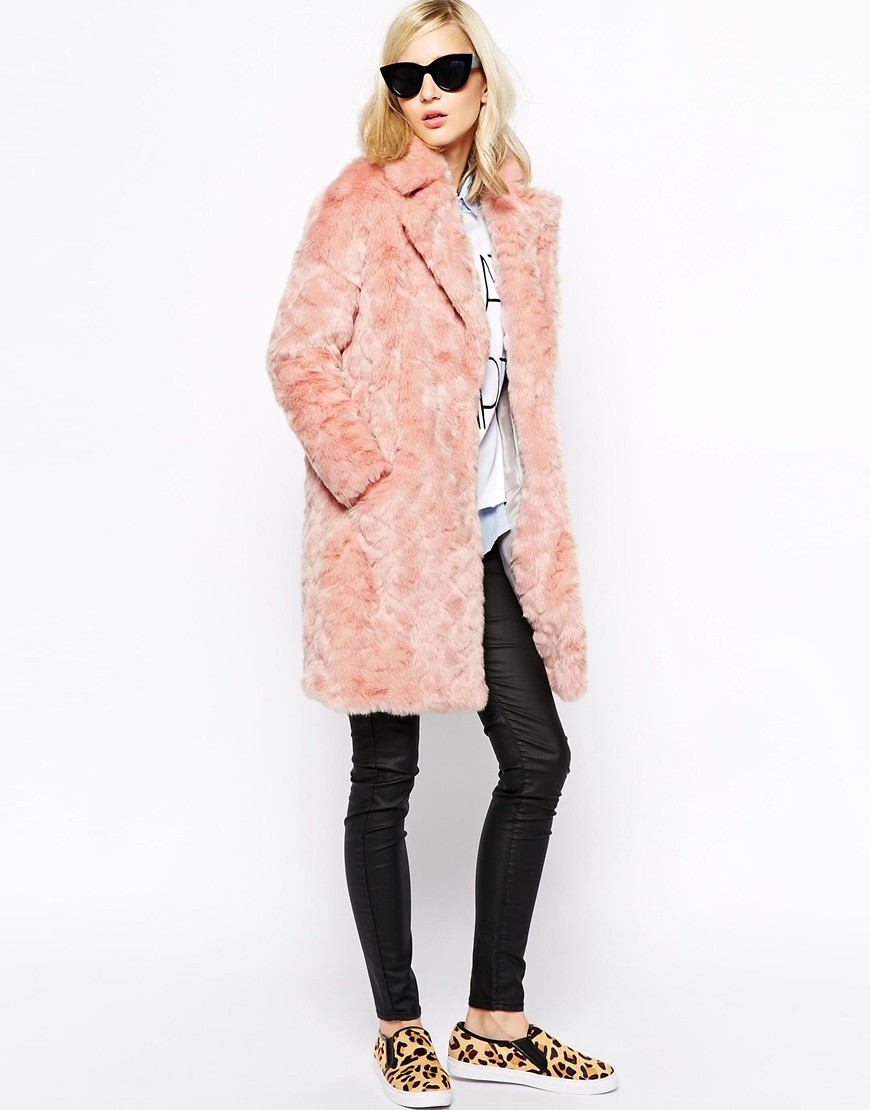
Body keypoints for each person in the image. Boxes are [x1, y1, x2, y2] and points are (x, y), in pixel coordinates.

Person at [265, 1, 617, 1104]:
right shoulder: (361, 202)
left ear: (482, 79)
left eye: (448, 70)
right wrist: (377, 490)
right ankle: (399, 1023)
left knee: (537, 757)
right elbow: (297, 356)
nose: (426, 93)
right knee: (387, 778)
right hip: (389, 540)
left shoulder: (516, 217)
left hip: (490, 528)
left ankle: (495, 1022)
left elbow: (517, 392)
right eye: (404, 77)